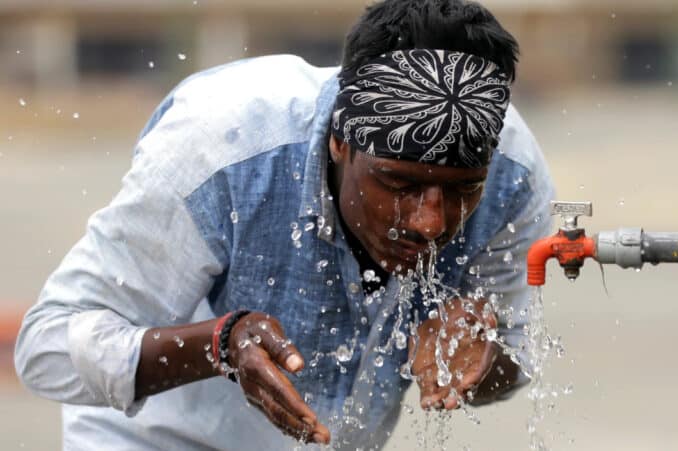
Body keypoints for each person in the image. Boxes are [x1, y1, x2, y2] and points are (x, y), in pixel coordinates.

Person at [14, 0, 555, 449]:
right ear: (339, 141)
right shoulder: (225, 149)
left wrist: (477, 355)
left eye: (462, 191)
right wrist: (220, 345)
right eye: (398, 183)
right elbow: (46, 349)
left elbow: (510, 365)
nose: (431, 222)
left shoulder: (513, 178)